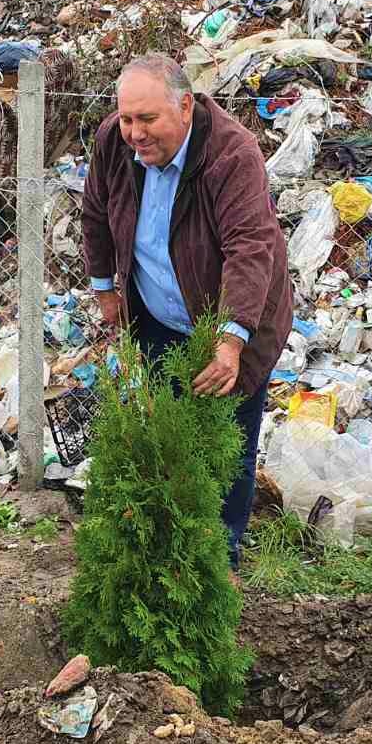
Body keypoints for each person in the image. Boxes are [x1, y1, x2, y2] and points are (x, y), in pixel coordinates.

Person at [81, 54, 293, 571]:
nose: (134, 133)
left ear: (185, 106)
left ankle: (219, 564)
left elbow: (249, 247)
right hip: (155, 317)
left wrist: (229, 341)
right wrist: (106, 291)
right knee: (168, 432)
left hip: (229, 321)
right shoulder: (115, 140)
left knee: (227, 444)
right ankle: (172, 548)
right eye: (128, 118)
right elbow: (95, 212)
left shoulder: (230, 154)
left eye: (147, 120)